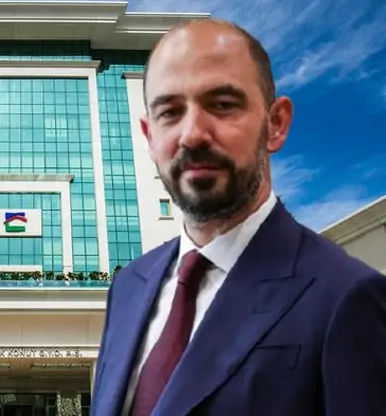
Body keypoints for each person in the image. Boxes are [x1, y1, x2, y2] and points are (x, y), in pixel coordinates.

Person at [91, 18, 386, 416]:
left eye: (222, 105)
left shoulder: (347, 296)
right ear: (149, 137)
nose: (192, 134)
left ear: (275, 124)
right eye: (170, 112)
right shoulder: (129, 286)